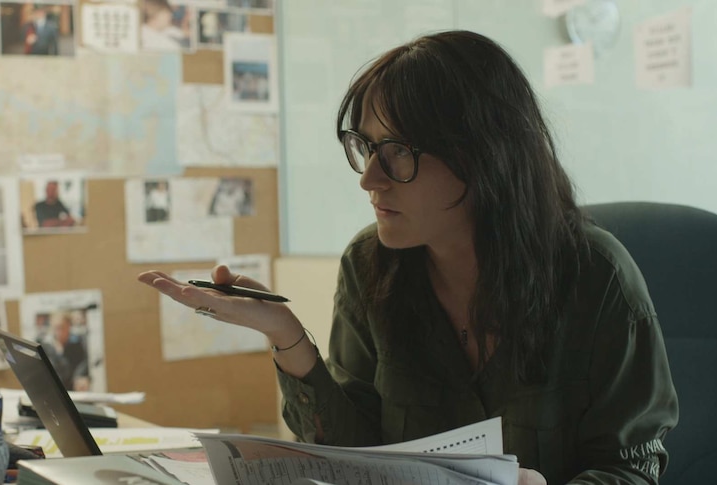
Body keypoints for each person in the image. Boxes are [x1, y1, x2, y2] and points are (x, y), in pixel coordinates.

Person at [138, 31, 678, 484]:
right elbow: (357, 457)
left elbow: (633, 469)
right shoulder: (370, 266)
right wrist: (285, 335)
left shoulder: (596, 277)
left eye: (397, 152)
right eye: (366, 147)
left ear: (484, 156)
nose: (369, 179)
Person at [41, 312, 90, 391]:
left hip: (74, 390)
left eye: (62, 327)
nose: (59, 332)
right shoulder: (45, 347)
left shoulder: (78, 345)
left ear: (69, 327)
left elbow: (84, 364)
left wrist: (80, 377)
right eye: (56, 328)